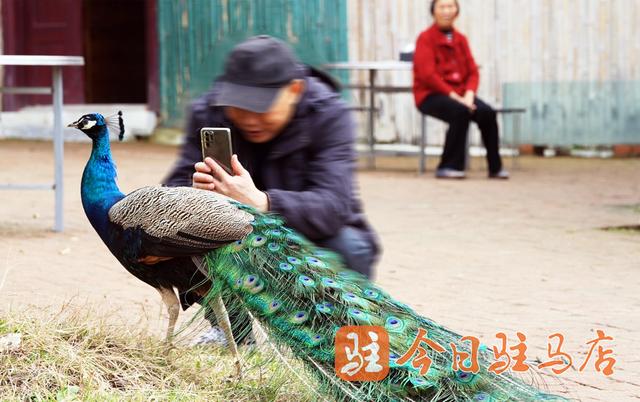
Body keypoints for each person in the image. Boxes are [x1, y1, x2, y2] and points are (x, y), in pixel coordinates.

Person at [164, 35, 380, 278]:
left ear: (294, 90)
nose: (248, 120)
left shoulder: (329, 115)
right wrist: (194, 191)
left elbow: (333, 206)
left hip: (306, 233)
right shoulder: (208, 112)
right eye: (238, 107)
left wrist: (262, 202)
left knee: (349, 248)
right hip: (233, 233)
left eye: (260, 108)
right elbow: (171, 189)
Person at [413, 0, 509, 179]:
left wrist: (470, 94)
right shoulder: (425, 38)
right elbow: (428, 75)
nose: (447, 11)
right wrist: (456, 97)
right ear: (433, 11)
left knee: (487, 113)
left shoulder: (461, 39)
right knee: (460, 111)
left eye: (451, 6)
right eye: (442, 7)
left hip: (463, 95)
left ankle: (495, 167)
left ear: (457, 10)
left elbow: (473, 71)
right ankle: (449, 165)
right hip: (431, 95)